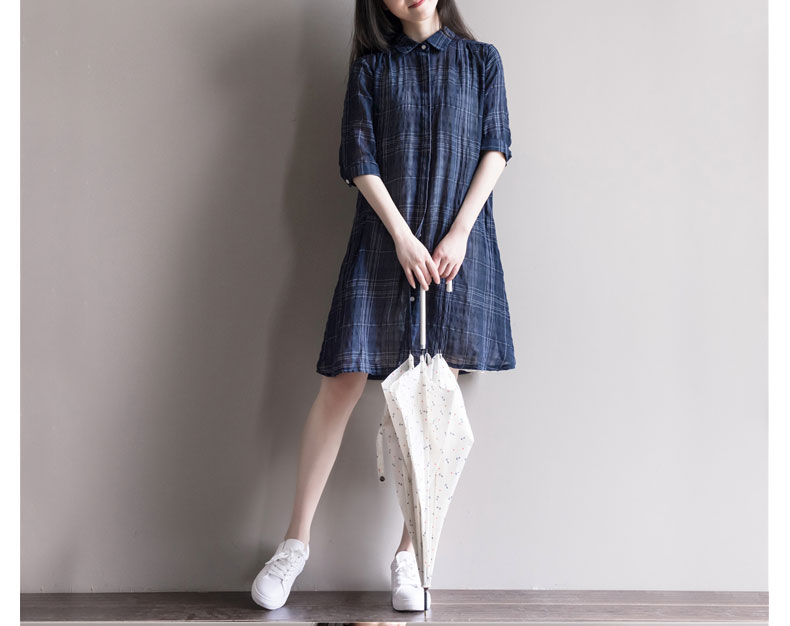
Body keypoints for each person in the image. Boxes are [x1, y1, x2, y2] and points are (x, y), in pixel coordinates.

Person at [251, 0, 515, 613]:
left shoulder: (481, 61)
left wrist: (458, 234)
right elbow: (359, 157)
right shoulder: (372, 68)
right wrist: (401, 235)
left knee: (434, 398)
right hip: (383, 242)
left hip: (456, 251)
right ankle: (294, 544)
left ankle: (410, 555)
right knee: (342, 382)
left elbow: (496, 148)